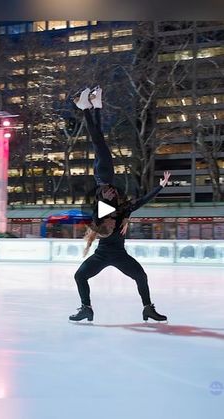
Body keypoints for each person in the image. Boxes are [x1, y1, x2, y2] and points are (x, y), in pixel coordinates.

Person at [69, 87, 171, 323]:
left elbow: (115, 208)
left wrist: (121, 213)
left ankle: (89, 107)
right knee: (99, 143)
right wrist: (161, 187)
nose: (113, 193)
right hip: (109, 255)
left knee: (98, 143)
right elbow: (142, 201)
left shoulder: (105, 206)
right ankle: (91, 107)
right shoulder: (117, 209)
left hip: (113, 254)